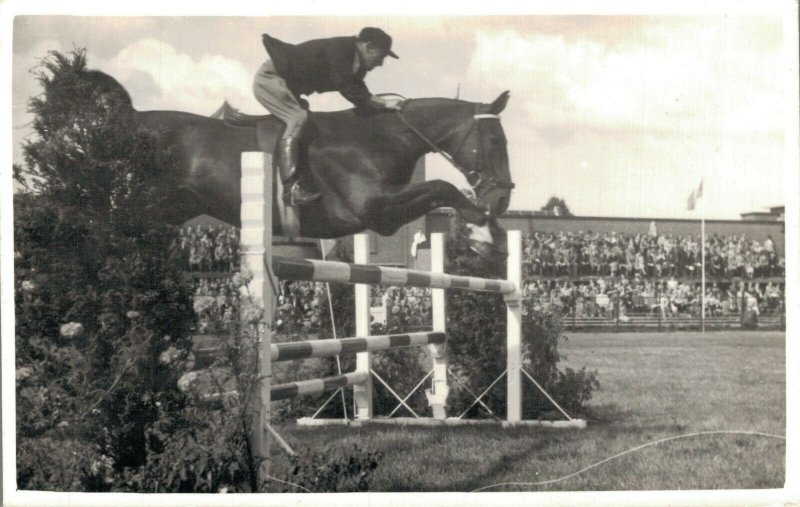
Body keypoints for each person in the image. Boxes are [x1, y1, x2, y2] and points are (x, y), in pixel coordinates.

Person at [255, 27, 405, 205]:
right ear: (368, 46)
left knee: (307, 122)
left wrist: (381, 107)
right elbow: (347, 88)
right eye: (380, 56)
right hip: (271, 79)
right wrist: (384, 103)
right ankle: (290, 189)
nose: (380, 63)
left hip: (287, 85)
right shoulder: (340, 49)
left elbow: (360, 96)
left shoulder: (356, 65)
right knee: (298, 118)